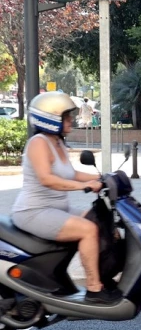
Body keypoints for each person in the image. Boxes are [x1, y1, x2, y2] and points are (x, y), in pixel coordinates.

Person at [10, 92, 120, 305]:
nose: (72, 120)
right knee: (88, 230)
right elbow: (47, 179)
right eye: (66, 117)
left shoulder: (58, 142)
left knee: (98, 220)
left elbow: (71, 173)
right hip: (33, 211)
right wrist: (83, 186)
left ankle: (99, 278)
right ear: (50, 119)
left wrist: (104, 177)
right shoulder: (39, 143)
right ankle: (94, 288)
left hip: (54, 209)